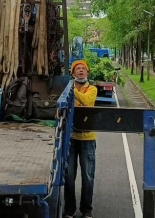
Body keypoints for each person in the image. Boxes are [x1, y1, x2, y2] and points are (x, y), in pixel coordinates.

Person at [65, 59, 97, 218]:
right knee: (69, 176)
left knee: (88, 176)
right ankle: (69, 209)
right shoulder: (67, 90)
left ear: (87, 72)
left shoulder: (92, 89)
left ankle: (86, 210)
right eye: (77, 69)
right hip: (70, 139)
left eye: (83, 68)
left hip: (88, 139)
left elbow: (86, 101)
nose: (81, 71)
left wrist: (71, 90)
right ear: (73, 73)